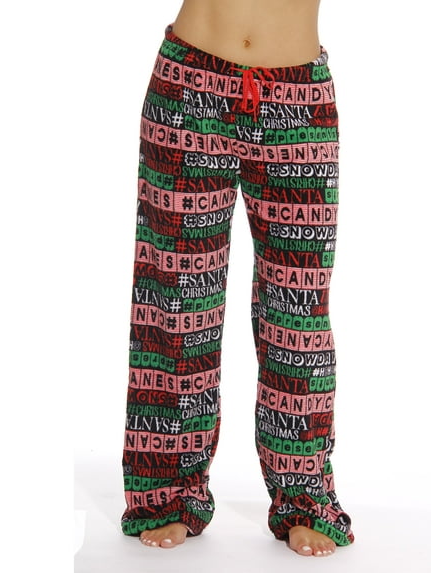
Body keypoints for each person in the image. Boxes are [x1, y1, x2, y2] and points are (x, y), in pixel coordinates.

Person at [121, 0, 354, 557]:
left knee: (297, 313)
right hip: (189, 84)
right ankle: (167, 493)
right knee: (176, 303)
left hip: (297, 101)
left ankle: (304, 497)